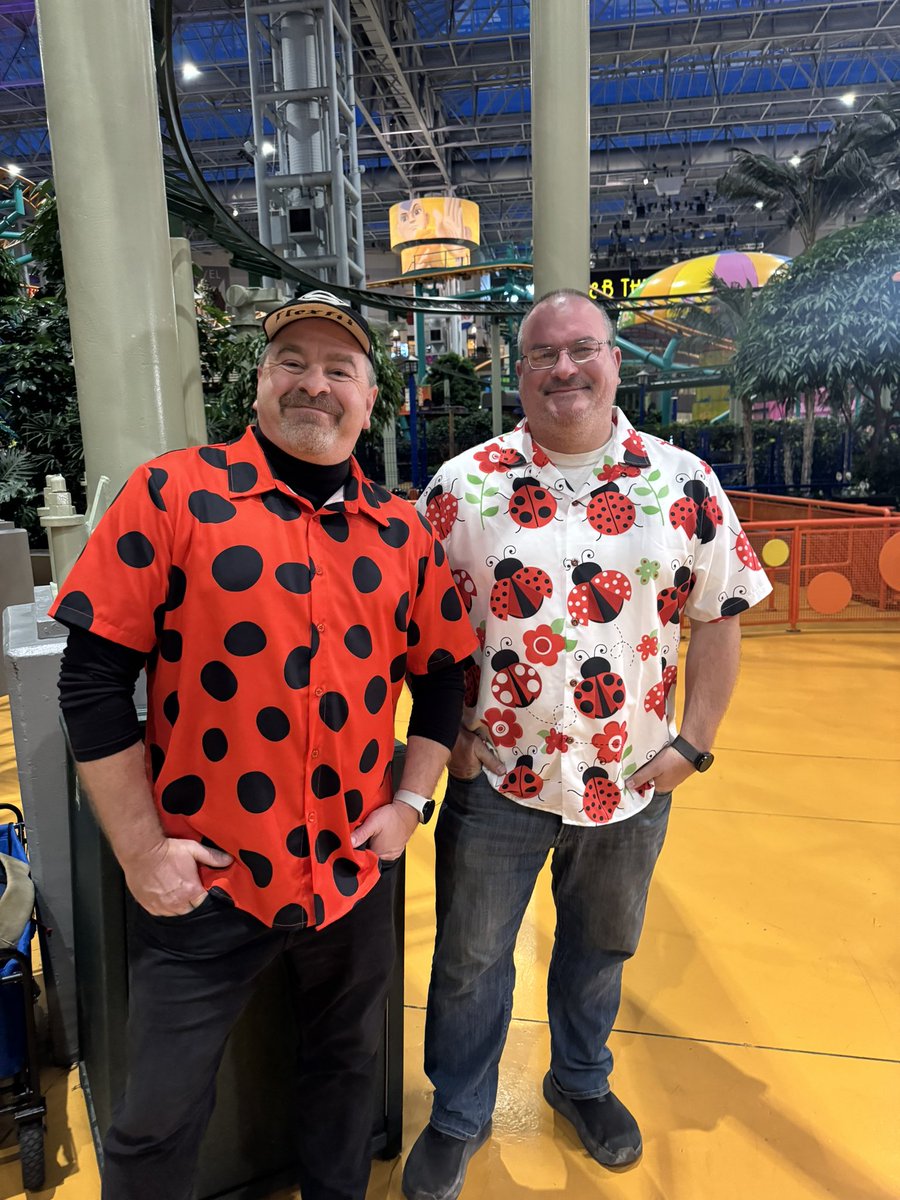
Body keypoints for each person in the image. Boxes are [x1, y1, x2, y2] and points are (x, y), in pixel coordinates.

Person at [50, 290, 477, 1200]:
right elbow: (89, 681)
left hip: (351, 877)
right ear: (257, 383)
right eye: (292, 363)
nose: (313, 385)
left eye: (339, 370)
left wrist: (410, 804)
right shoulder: (171, 495)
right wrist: (139, 852)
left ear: (370, 400)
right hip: (204, 881)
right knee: (155, 1121)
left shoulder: (402, 533)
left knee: (346, 1081)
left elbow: (444, 673)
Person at [403, 288, 772, 1200]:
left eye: (582, 349)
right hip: (499, 780)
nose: (563, 368)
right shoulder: (462, 486)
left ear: (615, 360)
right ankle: (458, 1113)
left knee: (601, 947)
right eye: (541, 355)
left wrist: (696, 742)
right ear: (518, 372)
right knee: (469, 961)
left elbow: (720, 612)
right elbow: (419, 622)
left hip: (631, 779)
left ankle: (580, 1083)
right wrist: (447, 729)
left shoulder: (682, 483)